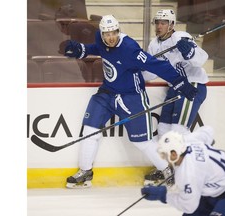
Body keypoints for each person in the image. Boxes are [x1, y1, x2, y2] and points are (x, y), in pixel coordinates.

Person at [62, 14, 199, 188]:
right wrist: (81, 49)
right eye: (107, 34)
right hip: (107, 93)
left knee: (141, 141)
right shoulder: (100, 38)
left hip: (131, 96)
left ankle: (168, 170)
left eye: (114, 33)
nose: (111, 37)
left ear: (119, 31)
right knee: (90, 131)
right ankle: (85, 171)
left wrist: (180, 82)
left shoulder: (129, 48)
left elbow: (156, 65)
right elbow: (99, 48)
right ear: (102, 34)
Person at [142, 9, 209, 185]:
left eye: (163, 23)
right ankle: (166, 168)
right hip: (175, 88)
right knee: (163, 130)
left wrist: (190, 52)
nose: (159, 26)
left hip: (192, 85)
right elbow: (150, 73)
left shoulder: (181, 37)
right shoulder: (154, 45)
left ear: (171, 25)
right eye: (157, 22)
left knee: (178, 132)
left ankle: (187, 172)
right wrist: (134, 75)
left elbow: (201, 60)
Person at [141, 126, 225, 215]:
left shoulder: (188, 173)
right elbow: (208, 130)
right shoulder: (189, 142)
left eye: (164, 155)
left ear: (174, 153)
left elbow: (189, 206)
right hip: (209, 194)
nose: (164, 158)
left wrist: (163, 196)